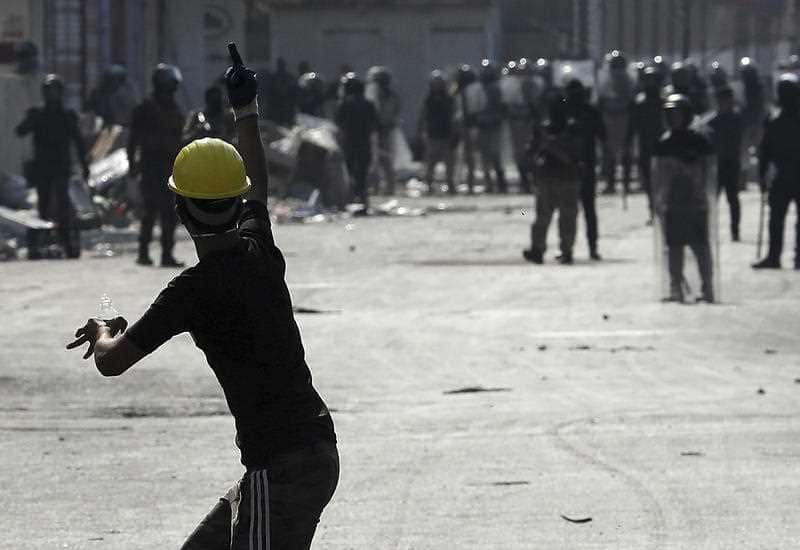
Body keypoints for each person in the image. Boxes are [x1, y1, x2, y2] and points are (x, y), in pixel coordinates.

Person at [66, 44, 338, 549]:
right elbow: (257, 183)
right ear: (236, 203)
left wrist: (103, 329)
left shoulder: (191, 292)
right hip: (308, 451)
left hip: (280, 468)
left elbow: (111, 362)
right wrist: (246, 108)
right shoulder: (260, 250)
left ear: (179, 210)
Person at [16, 74, 89, 259]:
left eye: (55, 91)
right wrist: (31, 119)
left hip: (61, 167)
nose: (52, 95)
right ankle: (39, 244)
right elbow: (20, 131)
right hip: (43, 168)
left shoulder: (66, 116)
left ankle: (67, 243)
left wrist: (84, 164)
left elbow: (78, 142)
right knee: (43, 205)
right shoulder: (38, 114)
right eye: (49, 91)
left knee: (64, 206)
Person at [652, 94, 716, 302]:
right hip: (673, 202)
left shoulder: (699, 142)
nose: (673, 118)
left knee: (700, 246)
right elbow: (660, 175)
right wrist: (659, 200)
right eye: (670, 114)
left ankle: (707, 287)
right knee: (674, 247)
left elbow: (708, 172)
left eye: (677, 114)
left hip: (695, 202)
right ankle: (675, 286)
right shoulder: (665, 142)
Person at [128, 63, 185, 267]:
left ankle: (166, 254)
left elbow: (180, 138)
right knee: (150, 211)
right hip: (152, 165)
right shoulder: (145, 109)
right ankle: (143, 252)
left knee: (170, 213)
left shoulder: (174, 109)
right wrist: (132, 163)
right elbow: (133, 139)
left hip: (170, 166)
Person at [523, 87, 584, 265]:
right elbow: (531, 152)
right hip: (548, 178)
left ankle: (565, 250)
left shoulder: (572, 129)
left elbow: (575, 155)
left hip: (566, 177)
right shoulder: (543, 129)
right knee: (544, 218)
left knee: (566, 218)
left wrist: (552, 146)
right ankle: (538, 249)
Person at [753, 74, 800, 270]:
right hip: (782, 174)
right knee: (776, 218)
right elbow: (765, 150)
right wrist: (762, 175)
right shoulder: (773, 120)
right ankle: (774, 255)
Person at [563, 79, 606, 260]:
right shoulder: (571, 112)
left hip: (581, 164)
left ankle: (578, 249)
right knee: (577, 209)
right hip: (570, 164)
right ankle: (573, 249)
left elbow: (602, 136)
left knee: (576, 209)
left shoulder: (587, 111)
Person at [335, 73, 378, 213]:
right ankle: (364, 202)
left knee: (349, 172)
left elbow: (339, 124)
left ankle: (349, 201)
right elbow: (375, 125)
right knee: (362, 174)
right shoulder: (369, 104)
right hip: (365, 142)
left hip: (349, 143)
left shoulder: (345, 104)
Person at [627, 66, 665, 223]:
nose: (650, 84)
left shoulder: (664, 102)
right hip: (646, 146)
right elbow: (633, 124)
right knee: (649, 183)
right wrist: (627, 140)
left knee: (662, 181)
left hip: (662, 146)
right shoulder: (640, 102)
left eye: (653, 81)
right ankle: (653, 210)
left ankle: (662, 209)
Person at [707, 86, 744, 242]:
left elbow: (742, 140)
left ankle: (735, 230)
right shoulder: (712, 121)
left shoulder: (736, 119)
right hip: (717, 164)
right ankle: (709, 228)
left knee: (732, 198)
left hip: (731, 162)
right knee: (713, 198)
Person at [598, 50, 634, 196]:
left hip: (624, 118)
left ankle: (625, 183)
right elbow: (600, 101)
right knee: (609, 153)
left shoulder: (628, 81)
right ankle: (611, 182)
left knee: (626, 151)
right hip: (609, 119)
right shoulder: (605, 81)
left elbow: (632, 101)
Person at [418, 69, 457, 194]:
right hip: (432, 134)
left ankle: (450, 185)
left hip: (446, 133)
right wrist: (420, 130)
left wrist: (455, 132)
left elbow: (453, 115)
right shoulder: (428, 99)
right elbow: (423, 115)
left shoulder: (449, 98)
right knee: (431, 162)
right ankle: (429, 184)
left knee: (449, 162)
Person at [366, 66, 401, 195]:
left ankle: (388, 189)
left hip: (384, 131)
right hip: (376, 131)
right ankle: (377, 189)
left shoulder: (390, 96)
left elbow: (393, 114)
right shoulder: (372, 94)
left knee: (385, 162)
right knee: (375, 162)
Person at [475, 59, 507, 193]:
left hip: (493, 124)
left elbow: (501, 106)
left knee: (494, 155)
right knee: (486, 156)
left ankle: (499, 182)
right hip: (484, 124)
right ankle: (490, 183)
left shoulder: (496, 87)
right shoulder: (479, 88)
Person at [454, 64, 478, 192]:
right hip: (460, 125)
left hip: (471, 125)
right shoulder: (456, 91)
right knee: (459, 155)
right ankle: (457, 182)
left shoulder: (475, 90)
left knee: (470, 156)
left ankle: (470, 183)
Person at [264, 58, 298, 128]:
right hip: (277, 106)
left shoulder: (289, 77)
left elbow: (293, 92)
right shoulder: (274, 77)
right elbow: (270, 93)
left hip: (285, 107)